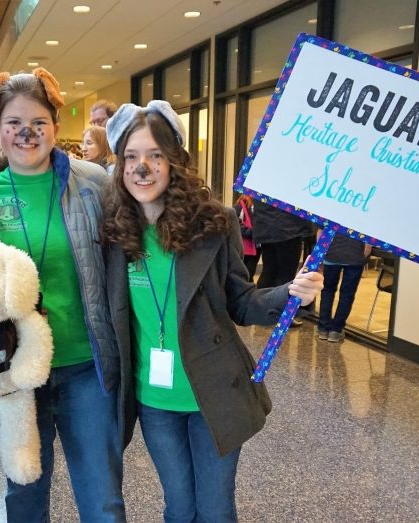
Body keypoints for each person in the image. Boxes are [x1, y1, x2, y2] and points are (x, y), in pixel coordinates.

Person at [101, 101, 323, 523]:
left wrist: (289, 294)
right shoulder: (115, 231)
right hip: (154, 401)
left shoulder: (214, 224)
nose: (141, 167)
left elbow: (241, 302)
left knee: (216, 510)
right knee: (179, 508)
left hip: (214, 393)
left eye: (154, 155)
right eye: (131, 157)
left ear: (174, 161)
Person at [0, 67, 125, 522]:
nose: (26, 133)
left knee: (103, 498)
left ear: (56, 126)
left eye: (38, 122)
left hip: (84, 367)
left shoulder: (93, 182)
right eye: (13, 123)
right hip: (16, 373)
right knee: (25, 495)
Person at [252, 198, 309, 326]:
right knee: (286, 275)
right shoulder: (285, 183)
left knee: (269, 271)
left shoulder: (262, 181)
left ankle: (261, 312)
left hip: (265, 228)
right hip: (288, 229)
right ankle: (282, 316)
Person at [316, 232, 372, 343]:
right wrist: (367, 248)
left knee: (327, 290)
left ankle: (323, 328)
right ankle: (336, 330)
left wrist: (321, 250)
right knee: (347, 294)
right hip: (355, 253)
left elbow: (321, 230)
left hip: (332, 252)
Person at [233, 194, 260, 281]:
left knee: (250, 272)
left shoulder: (257, 206)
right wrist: (252, 232)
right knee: (246, 273)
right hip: (246, 246)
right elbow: (236, 224)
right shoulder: (241, 206)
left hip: (255, 246)